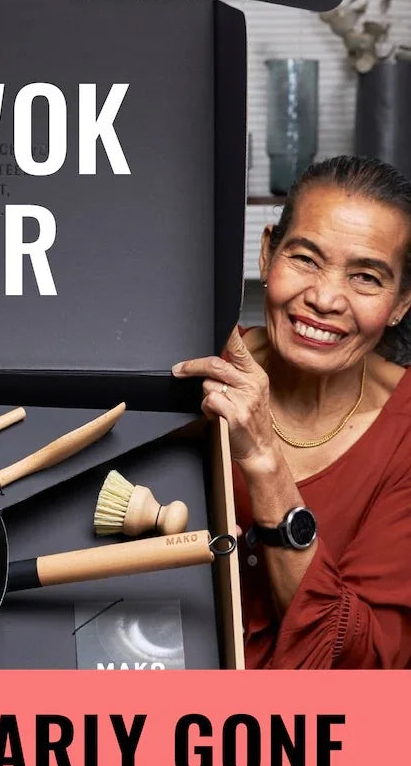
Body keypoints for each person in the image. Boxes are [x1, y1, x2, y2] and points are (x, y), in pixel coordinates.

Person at [173, 156, 411, 668]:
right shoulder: (186, 368)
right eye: (305, 258)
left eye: (366, 277)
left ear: (401, 303)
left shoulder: (405, 433)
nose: (324, 298)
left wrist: (264, 461)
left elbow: (365, 668)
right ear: (266, 253)